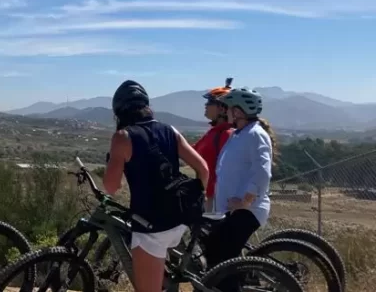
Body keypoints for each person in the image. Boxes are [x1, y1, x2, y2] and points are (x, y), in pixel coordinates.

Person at [103, 80, 209, 292]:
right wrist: (200, 195)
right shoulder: (169, 130)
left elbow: (110, 188)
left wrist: (113, 162)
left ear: (119, 111)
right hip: (179, 220)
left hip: (151, 228)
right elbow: (203, 169)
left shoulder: (122, 137)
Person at [203, 87, 276, 292]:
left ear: (239, 111)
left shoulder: (255, 134)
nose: (226, 112)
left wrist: (245, 200)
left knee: (223, 258)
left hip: (248, 209)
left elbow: (262, 171)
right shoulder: (238, 134)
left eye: (229, 108)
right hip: (233, 208)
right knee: (215, 252)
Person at [193, 78, 235, 212]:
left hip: (217, 198)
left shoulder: (227, 135)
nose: (206, 105)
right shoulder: (214, 132)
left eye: (210, 102)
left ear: (222, 109)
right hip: (208, 194)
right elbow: (191, 151)